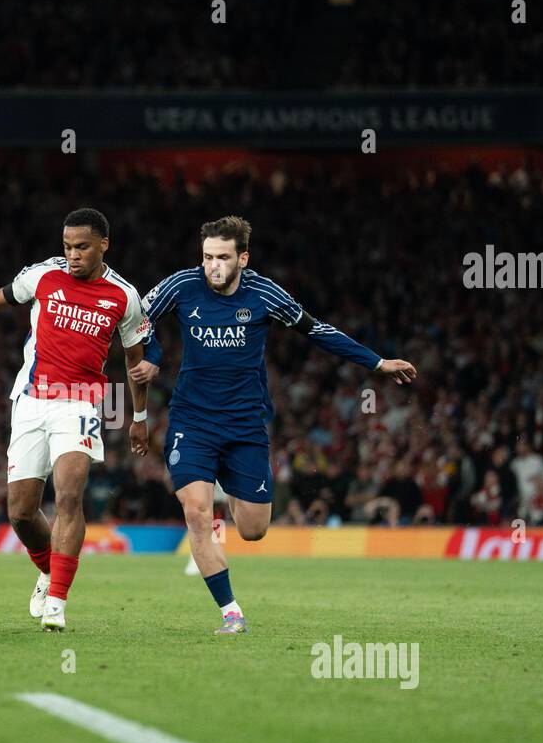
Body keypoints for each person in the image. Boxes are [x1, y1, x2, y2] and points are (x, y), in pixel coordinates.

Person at [131, 215, 416, 633]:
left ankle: (225, 487)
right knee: (196, 512)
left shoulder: (265, 294)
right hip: (192, 420)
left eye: (223, 257)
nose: (213, 266)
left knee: (252, 530)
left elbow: (316, 329)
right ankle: (231, 612)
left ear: (243, 258)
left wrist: (376, 362)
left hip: (246, 426)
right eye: (207, 257)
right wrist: (153, 356)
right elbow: (137, 320)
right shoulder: (180, 285)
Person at [0, 208, 150, 630]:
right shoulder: (42, 276)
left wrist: (139, 415)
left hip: (81, 404)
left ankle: (57, 603)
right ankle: (47, 571)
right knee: (19, 511)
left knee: (70, 497)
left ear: (104, 245)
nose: (72, 255)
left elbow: (134, 359)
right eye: (68, 246)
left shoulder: (124, 297)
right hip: (31, 400)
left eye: (82, 247)